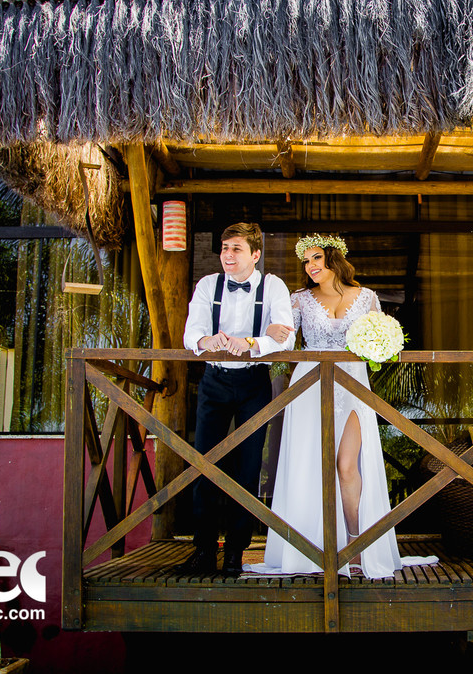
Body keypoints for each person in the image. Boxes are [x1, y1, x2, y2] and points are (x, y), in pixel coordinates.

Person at [247, 234, 436, 579]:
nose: (310, 266)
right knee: (311, 468)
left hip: (352, 384)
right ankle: (311, 549)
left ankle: (356, 546)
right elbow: (287, 338)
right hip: (309, 385)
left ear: (333, 259)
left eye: (316, 258)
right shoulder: (300, 299)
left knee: (347, 466)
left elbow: (386, 343)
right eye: (305, 262)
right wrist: (273, 331)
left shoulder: (366, 297)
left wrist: (382, 346)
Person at [180, 222, 295, 575]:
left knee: (247, 469)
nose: (228, 255)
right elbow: (192, 332)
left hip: (253, 383)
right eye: (225, 248)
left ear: (255, 255)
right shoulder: (207, 285)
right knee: (204, 463)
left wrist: (251, 344)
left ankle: (235, 552)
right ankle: (202, 549)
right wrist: (205, 342)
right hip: (214, 381)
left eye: (236, 249)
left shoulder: (273, 285)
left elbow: (285, 336)